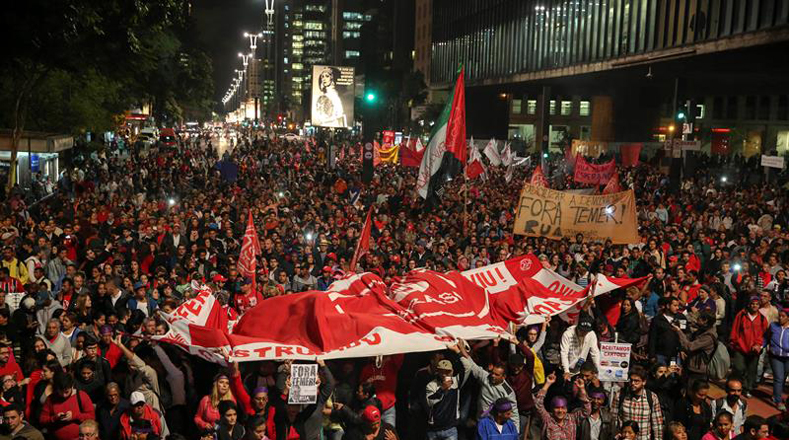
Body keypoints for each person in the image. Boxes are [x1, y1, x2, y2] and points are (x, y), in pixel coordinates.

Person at [453, 338, 519, 429]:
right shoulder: (486, 377)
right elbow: (472, 365)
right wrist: (462, 350)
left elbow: (514, 412)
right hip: (479, 419)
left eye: (497, 375)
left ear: (503, 377)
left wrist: (515, 432)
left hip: (494, 424)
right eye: (493, 373)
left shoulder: (507, 392)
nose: (493, 376)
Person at [425, 347, 472, 440]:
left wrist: (458, 351)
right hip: (434, 429)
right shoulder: (431, 385)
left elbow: (468, 366)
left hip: (450, 428)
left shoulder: (456, 381)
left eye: (447, 371)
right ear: (437, 371)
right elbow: (430, 402)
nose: (444, 374)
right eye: (442, 371)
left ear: (452, 371)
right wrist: (442, 388)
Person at [611, 365, 664, 440]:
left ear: (644, 382)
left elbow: (657, 424)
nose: (633, 383)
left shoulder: (652, 397)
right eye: (631, 380)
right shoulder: (620, 395)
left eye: (636, 381)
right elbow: (614, 420)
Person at [730, 295, 769, 397]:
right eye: (752, 304)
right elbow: (735, 329)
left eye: (756, 304)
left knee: (751, 371)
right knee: (739, 368)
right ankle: (738, 385)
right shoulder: (741, 315)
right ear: (749, 304)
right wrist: (733, 342)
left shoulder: (762, 319)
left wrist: (759, 345)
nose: (754, 306)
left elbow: (765, 335)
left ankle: (747, 388)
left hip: (754, 350)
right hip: (740, 347)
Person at [39, 371, 95, 440]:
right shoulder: (51, 399)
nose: (64, 395)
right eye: (60, 392)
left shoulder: (81, 396)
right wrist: (55, 418)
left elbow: (92, 417)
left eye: (66, 392)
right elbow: (42, 420)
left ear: (71, 386)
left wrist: (74, 416)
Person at [534, 372, 590, 439]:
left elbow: (587, 411)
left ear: (566, 409)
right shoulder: (547, 419)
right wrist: (548, 384)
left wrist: (582, 389)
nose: (560, 411)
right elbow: (538, 404)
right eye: (557, 408)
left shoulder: (572, 419)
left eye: (563, 408)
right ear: (552, 409)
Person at [674, 311, 717, 383]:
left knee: (694, 390)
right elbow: (689, 338)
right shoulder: (702, 331)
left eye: (699, 318)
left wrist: (679, 331)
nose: (697, 319)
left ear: (705, 321)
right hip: (691, 366)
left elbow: (690, 346)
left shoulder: (708, 336)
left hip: (699, 370)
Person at [765, 307, 789, 410]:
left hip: (788, 357)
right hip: (775, 356)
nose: (780, 318)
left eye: (783, 316)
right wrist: (762, 346)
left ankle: (776, 394)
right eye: (779, 315)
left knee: (783, 377)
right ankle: (778, 401)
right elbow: (766, 337)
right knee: (778, 378)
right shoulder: (773, 326)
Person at [649, 297, 682, 366]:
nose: (677, 308)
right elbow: (652, 338)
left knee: (674, 375)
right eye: (675, 305)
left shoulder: (680, 318)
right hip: (661, 354)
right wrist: (652, 355)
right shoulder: (657, 320)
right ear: (668, 306)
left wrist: (683, 350)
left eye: (678, 306)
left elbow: (686, 334)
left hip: (675, 354)